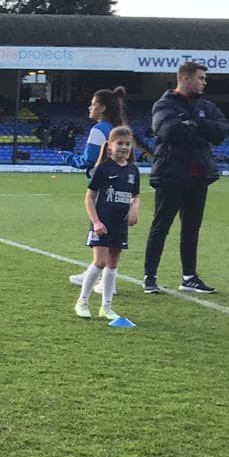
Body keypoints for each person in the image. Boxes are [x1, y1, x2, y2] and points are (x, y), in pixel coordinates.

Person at [142, 62, 228, 295]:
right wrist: (202, 132)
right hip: (171, 174)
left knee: (191, 229)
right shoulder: (164, 104)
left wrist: (195, 124)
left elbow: (222, 131)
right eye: (201, 78)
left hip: (199, 175)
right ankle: (150, 277)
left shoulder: (206, 106)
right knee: (161, 227)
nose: (204, 82)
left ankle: (189, 277)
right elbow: (169, 131)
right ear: (186, 78)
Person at [75, 125, 140, 321]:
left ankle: (106, 307)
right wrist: (95, 222)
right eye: (120, 143)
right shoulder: (103, 169)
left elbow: (135, 196)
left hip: (120, 225)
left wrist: (134, 209)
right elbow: (89, 198)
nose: (124, 147)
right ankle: (82, 302)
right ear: (110, 145)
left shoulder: (133, 170)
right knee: (100, 262)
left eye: (127, 144)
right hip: (102, 223)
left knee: (112, 264)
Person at [66, 86, 127, 292]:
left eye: (93, 104)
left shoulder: (98, 130)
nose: (89, 108)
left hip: (103, 186)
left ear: (102, 108)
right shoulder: (119, 128)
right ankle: (95, 273)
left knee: (100, 229)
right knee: (113, 231)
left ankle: (105, 281)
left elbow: (88, 160)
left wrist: (68, 158)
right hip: (120, 185)